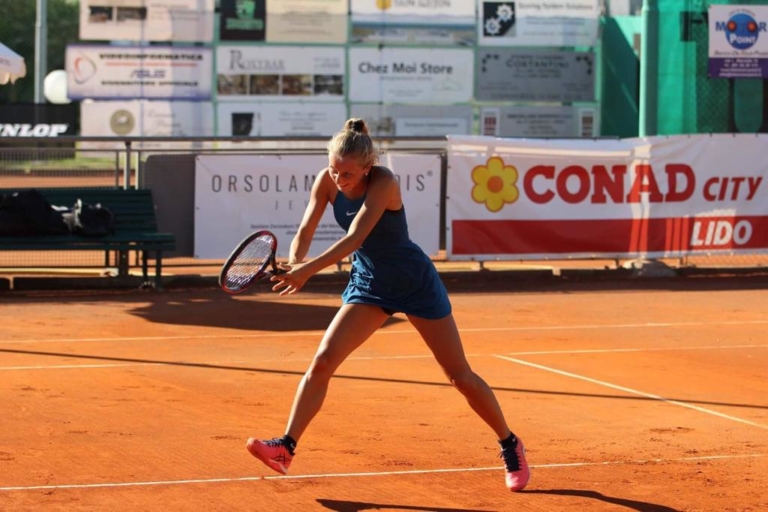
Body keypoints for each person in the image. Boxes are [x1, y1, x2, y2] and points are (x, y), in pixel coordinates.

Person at [245, 118, 530, 492]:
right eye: (334, 170)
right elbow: (305, 230)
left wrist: (307, 272)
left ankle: (510, 443)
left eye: (347, 173)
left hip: (414, 284)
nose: (338, 179)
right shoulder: (326, 180)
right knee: (323, 361)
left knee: (459, 375)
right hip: (370, 284)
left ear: (367, 167)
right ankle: (286, 447)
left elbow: (355, 238)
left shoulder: (385, 182)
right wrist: (296, 262)